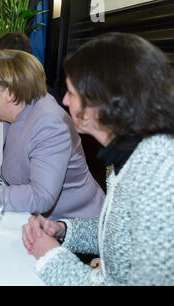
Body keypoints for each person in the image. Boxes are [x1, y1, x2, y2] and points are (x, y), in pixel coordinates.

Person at [22, 33, 174, 285]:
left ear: (104, 100)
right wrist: (63, 230)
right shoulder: (132, 152)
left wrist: (50, 257)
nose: (65, 100)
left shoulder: (160, 173)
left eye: (71, 92)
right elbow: (120, 233)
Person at [0, 50, 104, 220]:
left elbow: (40, 196)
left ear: (10, 93)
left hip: (71, 226)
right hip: (28, 216)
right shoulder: (8, 113)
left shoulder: (50, 124)